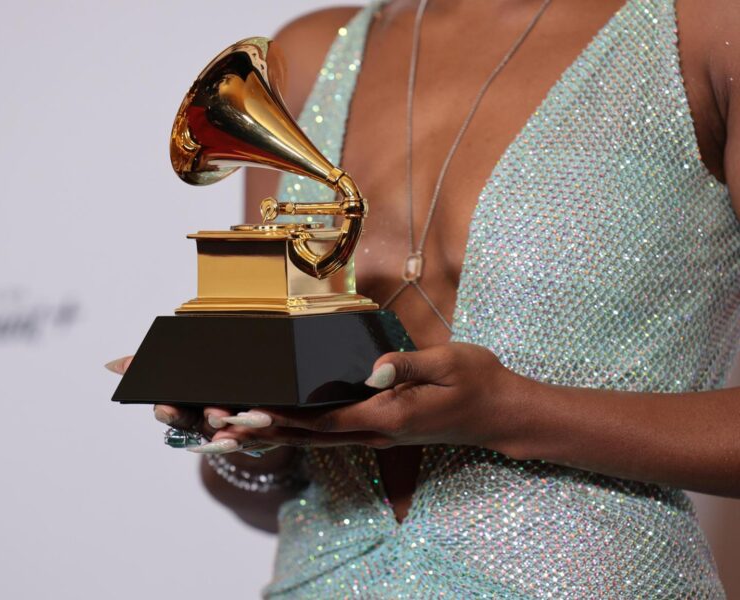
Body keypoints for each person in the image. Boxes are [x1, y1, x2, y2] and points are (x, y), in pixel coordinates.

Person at [108, 0, 740, 596]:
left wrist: (511, 411)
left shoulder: (705, 30)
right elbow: (266, 498)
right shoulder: (302, 58)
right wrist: (247, 432)